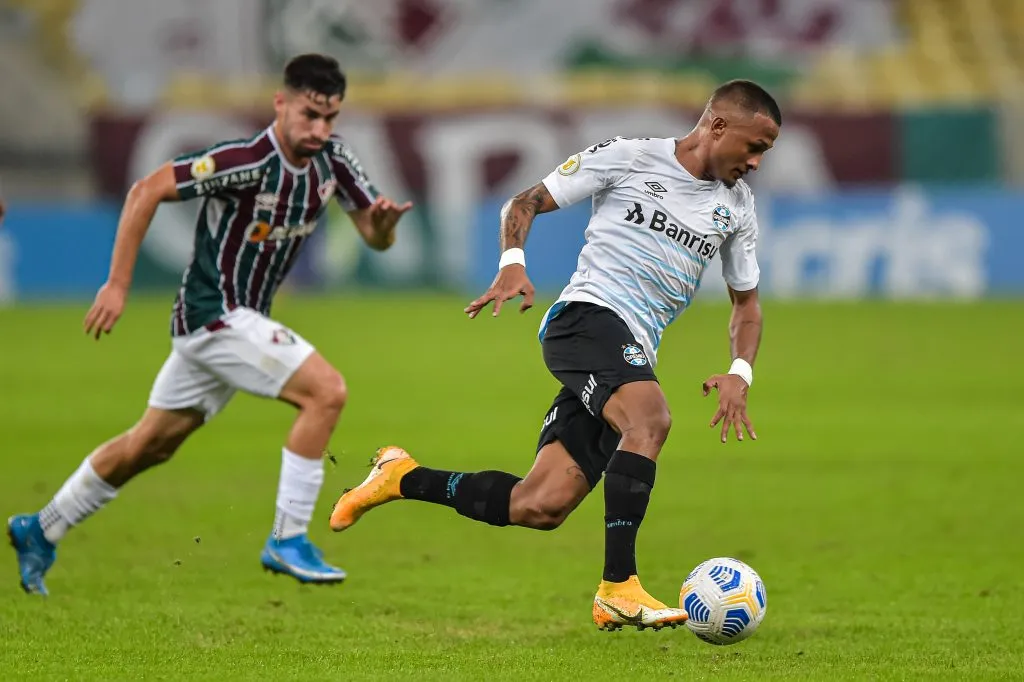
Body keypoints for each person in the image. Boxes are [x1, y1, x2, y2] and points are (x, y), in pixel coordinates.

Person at [329, 79, 780, 630]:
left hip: (631, 348)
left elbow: (747, 305)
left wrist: (741, 372)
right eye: (754, 146)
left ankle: (402, 477)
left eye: (766, 152)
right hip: (585, 319)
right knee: (650, 419)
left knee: (540, 504)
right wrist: (512, 262)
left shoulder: (737, 209)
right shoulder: (631, 157)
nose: (757, 162)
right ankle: (619, 586)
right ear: (716, 126)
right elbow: (525, 201)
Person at [7, 53, 413, 595]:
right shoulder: (243, 160)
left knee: (147, 446)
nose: (319, 129)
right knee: (326, 392)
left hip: (238, 325)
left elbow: (373, 234)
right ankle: (288, 538)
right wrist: (118, 284)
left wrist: (382, 228)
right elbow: (145, 189)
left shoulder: (334, 162)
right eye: (309, 114)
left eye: (330, 117)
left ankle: (41, 528)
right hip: (214, 315)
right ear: (281, 103)